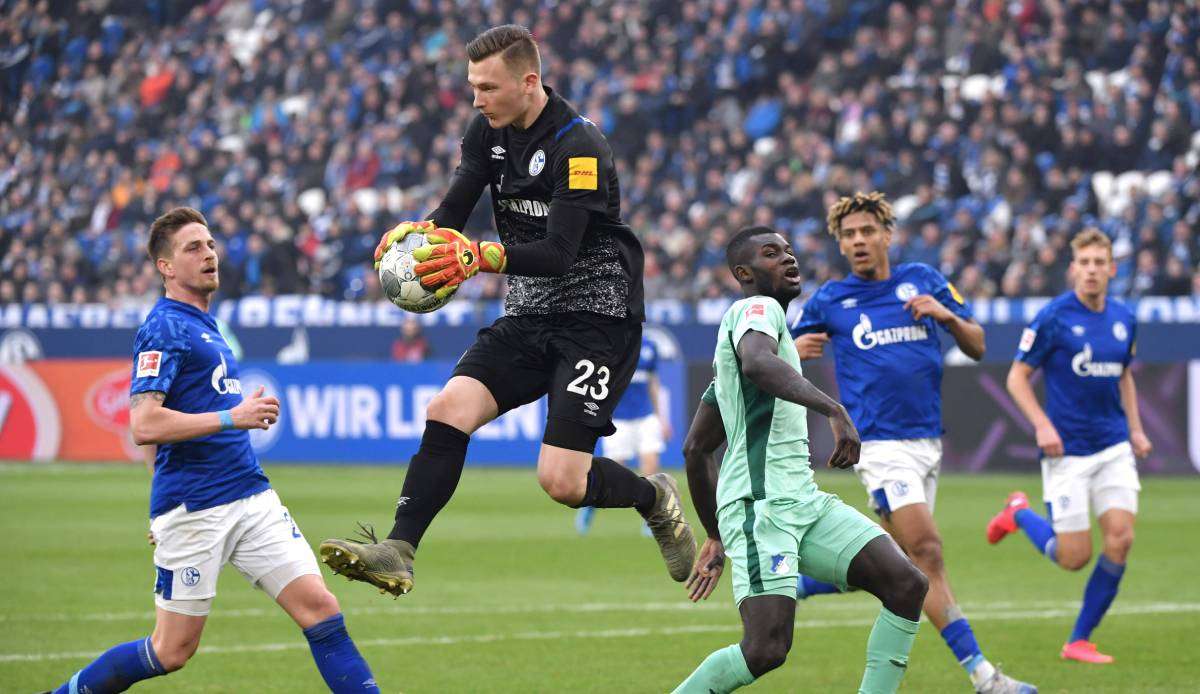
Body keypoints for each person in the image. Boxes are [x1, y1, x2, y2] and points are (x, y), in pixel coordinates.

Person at [320, 24, 695, 597]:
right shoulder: (485, 131)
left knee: (561, 480)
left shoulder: (580, 145)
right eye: (472, 86)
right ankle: (399, 548)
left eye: (487, 88)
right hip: (527, 314)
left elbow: (558, 252)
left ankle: (654, 497)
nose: (476, 98)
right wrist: (418, 238)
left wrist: (479, 255)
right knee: (447, 407)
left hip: (597, 320)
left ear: (528, 82)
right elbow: (454, 208)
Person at [46, 208, 379, 692]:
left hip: (250, 495)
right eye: (193, 248)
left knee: (322, 610)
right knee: (171, 650)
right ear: (165, 266)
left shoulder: (207, 323)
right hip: (196, 508)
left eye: (210, 245)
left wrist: (230, 419)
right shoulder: (164, 327)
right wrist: (232, 418)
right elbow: (144, 423)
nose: (209, 254)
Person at [789, 192, 1035, 693]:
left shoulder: (922, 280)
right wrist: (793, 349)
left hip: (927, 441)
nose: (858, 241)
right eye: (849, 234)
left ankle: (800, 582)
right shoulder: (831, 300)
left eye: (867, 231)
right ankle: (985, 677)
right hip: (878, 446)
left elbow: (978, 343)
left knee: (897, 566)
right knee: (928, 553)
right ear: (840, 243)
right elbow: (771, 359)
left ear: (886, 234)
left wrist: (946, 317)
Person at [673, 225, 928, 694]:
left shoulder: (739, 354)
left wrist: (713, 532)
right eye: (772, 254)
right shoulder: (757, 310)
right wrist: (834, 408)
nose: (789, 259)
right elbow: (756, 362)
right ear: (744, 273)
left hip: (804, 504)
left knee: (906, 584)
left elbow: (696, 448)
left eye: (789, 251)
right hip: (762, 508)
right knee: (765, 649)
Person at [989, 228, 1150, 664]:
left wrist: (1135, 429)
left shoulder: (1124, 317)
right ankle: (1019, 512)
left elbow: (1124, 374)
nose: (1093, 270)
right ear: (1073, 269)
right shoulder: (1053, 317)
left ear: (1112, 269)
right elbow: (1016, 377)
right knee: (1073, 557)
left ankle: (1079, 639)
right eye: (1085, 263)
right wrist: (1042, 425)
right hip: (1067, 452)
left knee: (1121, 539)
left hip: (1113, 446)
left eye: (1101, 262)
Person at [576, 335, 672, 535]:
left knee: (651, 465)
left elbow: (653, 383)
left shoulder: (649, 346)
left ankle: (650, 517)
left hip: (646, 416)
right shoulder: (611, 344)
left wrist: (662, 418)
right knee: (614, 471)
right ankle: (590, 505)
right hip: (619, 418)